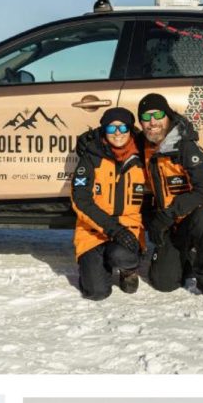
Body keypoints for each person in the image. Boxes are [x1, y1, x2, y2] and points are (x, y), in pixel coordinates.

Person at [137, 93, 203, 296]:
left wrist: (167, 214)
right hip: (174, 222)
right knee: (163, 282)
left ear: (168, 116)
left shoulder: (185, 146)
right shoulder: (144, 145)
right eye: (145, 118)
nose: (152, 122)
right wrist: (91, 139)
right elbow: (116, 136)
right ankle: (194, 257)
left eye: (158, 114)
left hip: (199, 213)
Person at [71, 107, 147, 299]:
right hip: (93, 231)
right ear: (104, 131)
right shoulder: (90, 158)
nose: (118, 133)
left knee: (121, 255)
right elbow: (81, 201)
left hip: (128, 228)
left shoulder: (143, 158)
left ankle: (128, 270)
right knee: (96, 293)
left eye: (123, 128)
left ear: (130, 130)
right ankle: (94, 267)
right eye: (112, 129)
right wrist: (113, 229)